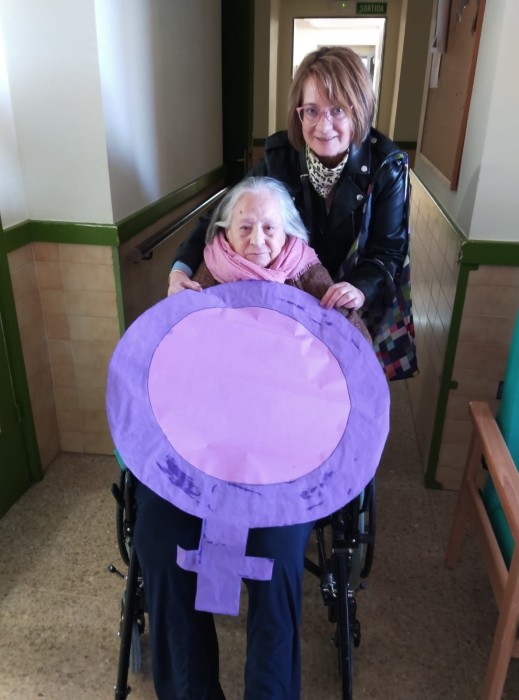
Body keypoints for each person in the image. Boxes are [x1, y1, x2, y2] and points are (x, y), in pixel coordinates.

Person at [133, 176, 371, 700]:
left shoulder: (310, 279)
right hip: (201, 453)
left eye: (269, 227)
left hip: (285, 461)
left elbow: (359, 369)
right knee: (159, 538)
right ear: (224, 232)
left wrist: (346, 317)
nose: (257, 239)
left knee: (276, 556)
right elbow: (162, 371)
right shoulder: (201, 281)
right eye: (245, 227)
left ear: (289, 235)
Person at [167, 46, 409, 325]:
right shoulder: (280, 157)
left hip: (352, 305)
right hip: (292, 302)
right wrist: (180, 270)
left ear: (359, 110)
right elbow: (223, 215)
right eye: (312, 110)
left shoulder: (386, 166)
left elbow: (387, 251)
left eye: (338, 110)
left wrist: (359, 289)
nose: (323, 126)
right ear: (299, 113)